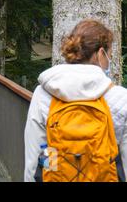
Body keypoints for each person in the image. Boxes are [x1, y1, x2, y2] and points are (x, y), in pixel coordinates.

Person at [24, 19, 127, 182]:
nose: (109, 62)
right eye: (109, 56)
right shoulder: (120, 98)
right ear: (101, 54)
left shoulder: (44, 93)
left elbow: (35, 155)